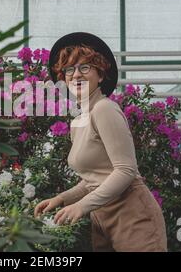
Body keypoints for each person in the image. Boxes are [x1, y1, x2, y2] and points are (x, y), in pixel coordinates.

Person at [34, 32, 167, 252]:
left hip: (133, 216)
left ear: (101, 75)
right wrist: (62, 198)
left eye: (84, 67)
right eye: (69, 69)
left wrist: (81, 206)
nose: (76, 74)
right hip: (102, 219)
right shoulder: (78, 121)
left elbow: (125, 170)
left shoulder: (104, 109)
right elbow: (94, 179)